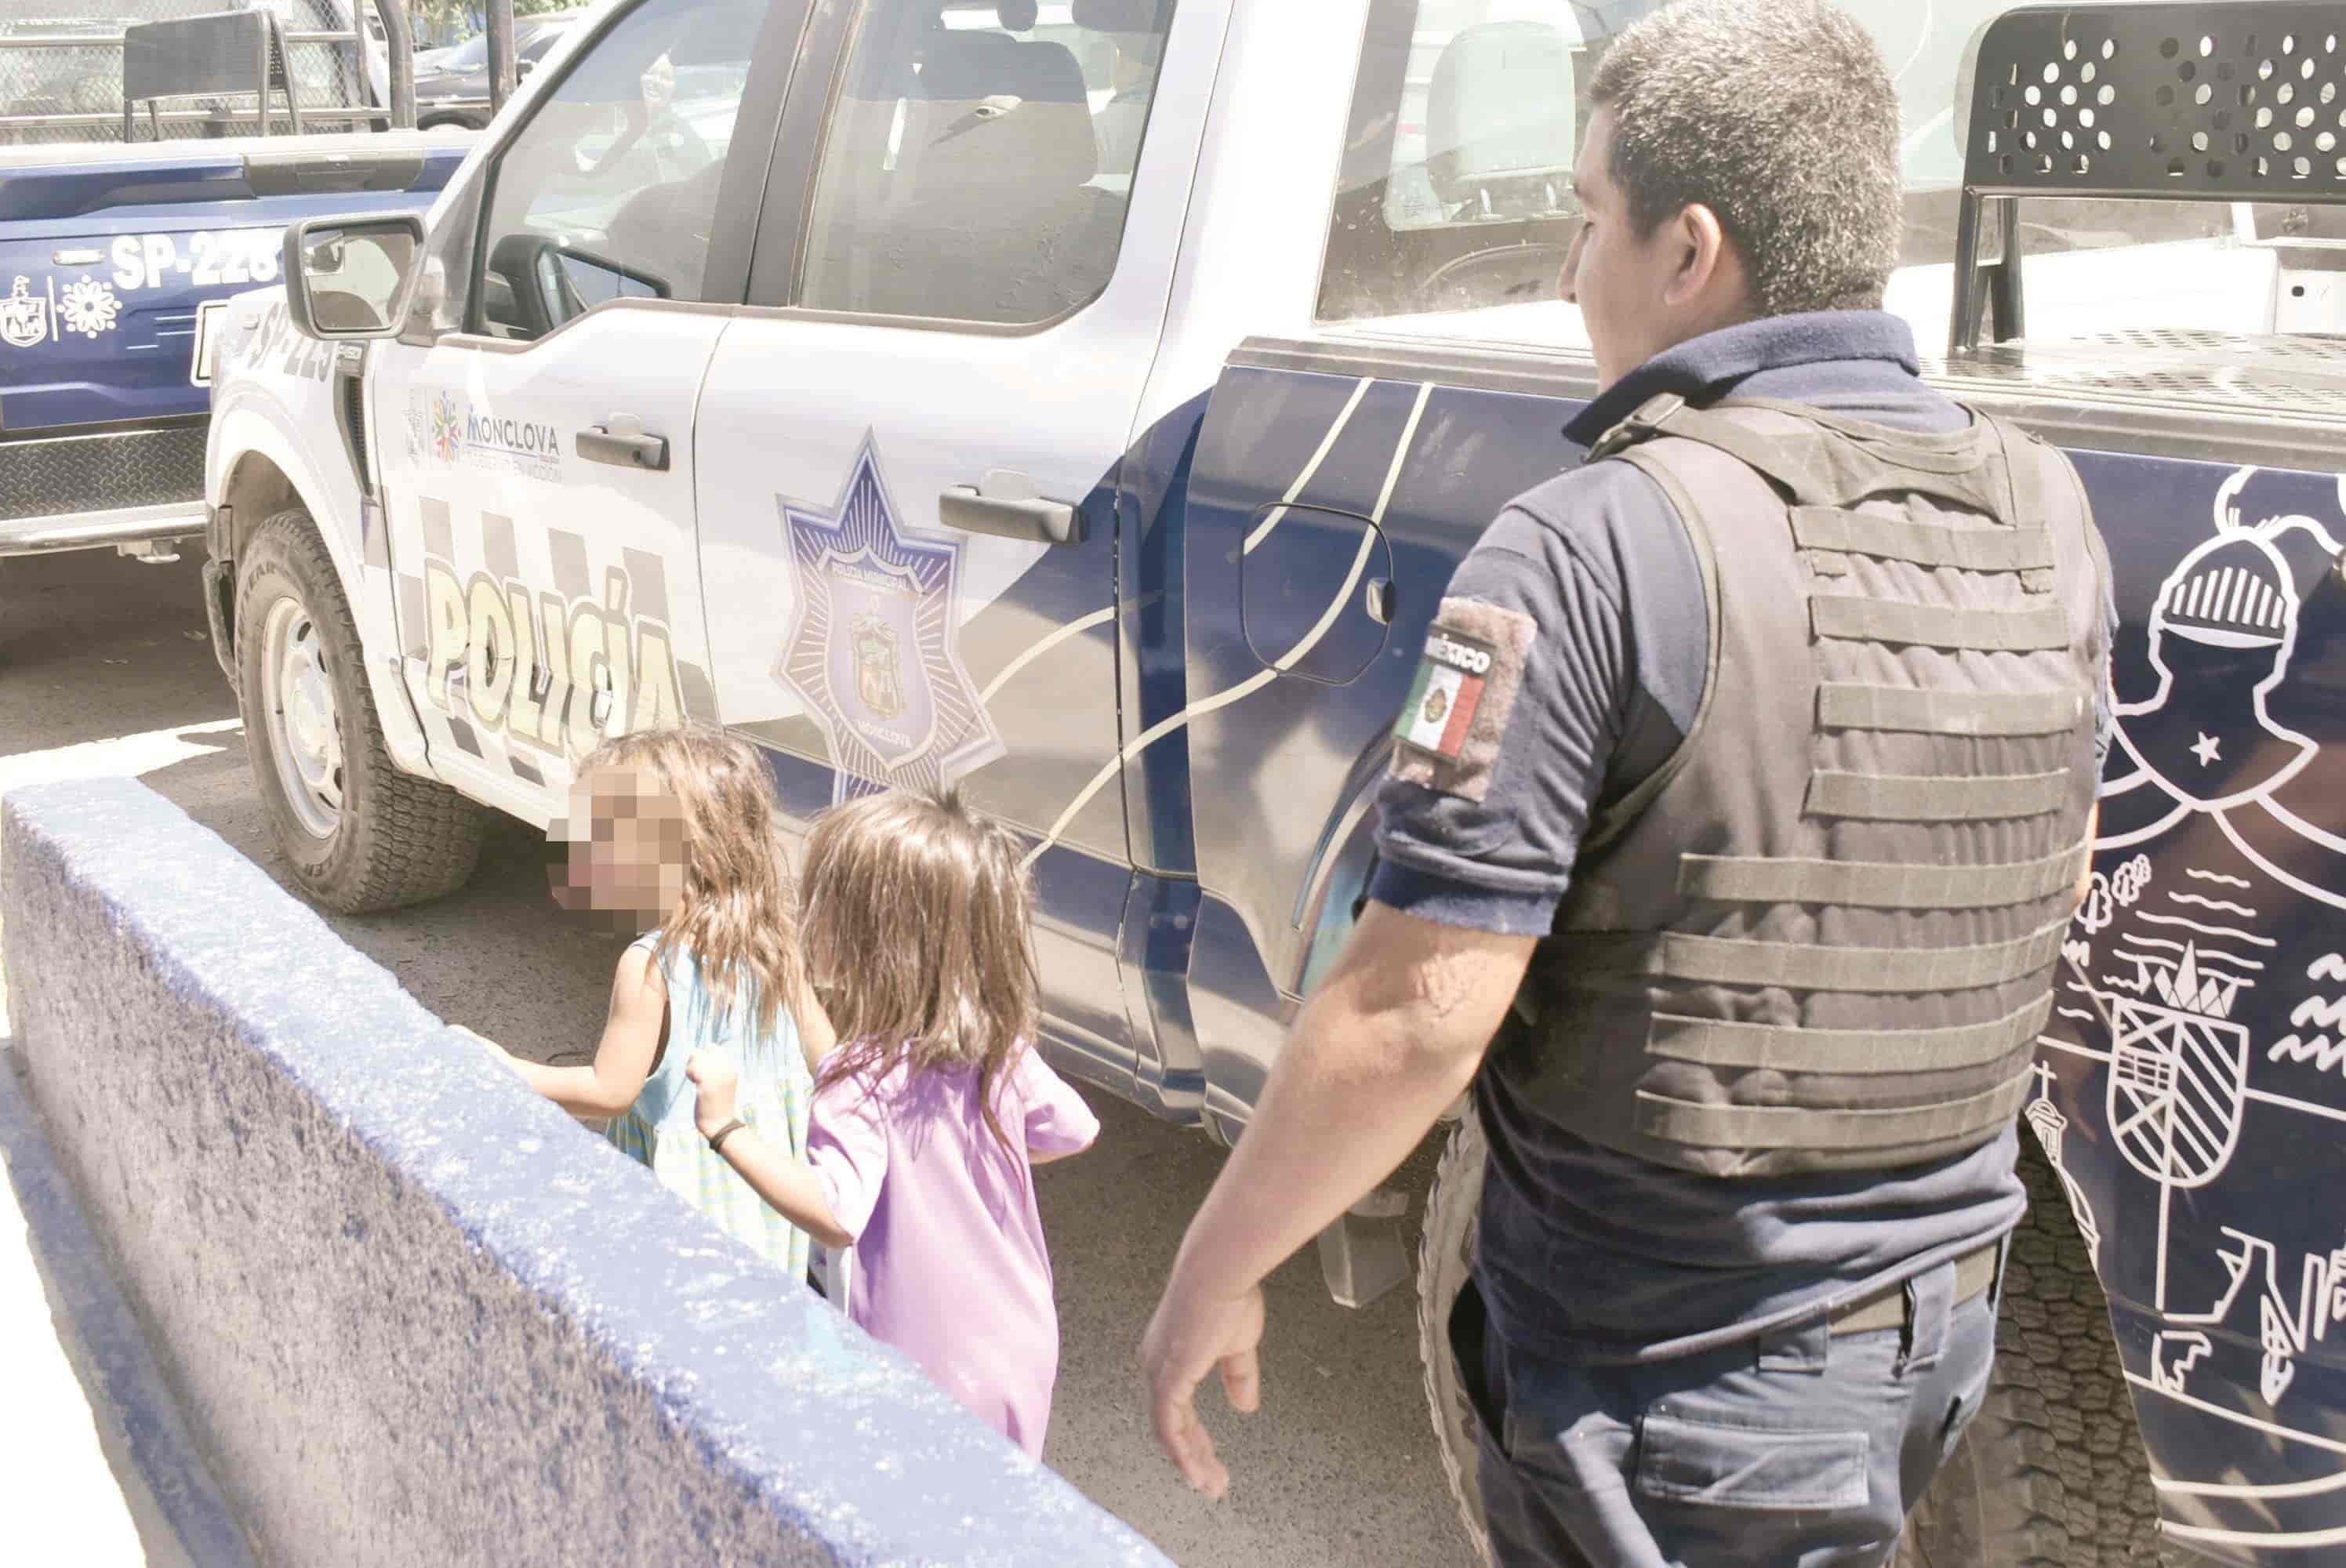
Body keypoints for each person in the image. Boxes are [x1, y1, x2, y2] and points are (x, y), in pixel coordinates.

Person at [1139, 2, 2116, 1563]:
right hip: (1929, 1331)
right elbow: (2043, 870)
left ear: (1689, 252)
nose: (1564, 267)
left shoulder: (1593, 542)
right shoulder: (2040, 505)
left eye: (1587, 216)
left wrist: (1217, 1258)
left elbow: (1413, 1011)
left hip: (1681, 1374)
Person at [681, 785, 1100, 1457]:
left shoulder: (863, 1081)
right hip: (1016, 1346)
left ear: (863, 938)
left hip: (915, 1366)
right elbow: (1073, 1130)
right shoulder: (997, 1052)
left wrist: (726, 1128)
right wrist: (951, 1169)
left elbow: (836, 1215)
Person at [474, 725, 832, 1283]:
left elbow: (609, 1091)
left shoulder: (649, 966)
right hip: (770, 1202)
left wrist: (507, 1069)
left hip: (682, 1217)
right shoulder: (777, 944)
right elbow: (829, 1061)